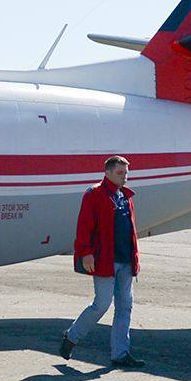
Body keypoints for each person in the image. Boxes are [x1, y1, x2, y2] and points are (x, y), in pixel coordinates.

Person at [59, 156, 144, 368]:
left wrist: (135, 259)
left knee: (125, 306)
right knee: (101, 304)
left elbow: (130, 231)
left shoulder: (125, 196)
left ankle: (120, 353)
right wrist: (85, 253)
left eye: (126, 173)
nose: (124, 177)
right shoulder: (94, 194)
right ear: (107, 173)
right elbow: (84, 226)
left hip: (125, 260)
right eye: (120, 173)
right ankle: (72, 337)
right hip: (105, 261)